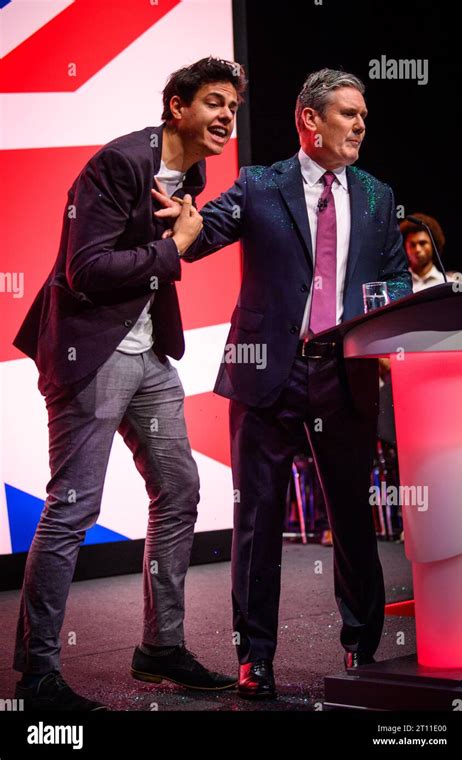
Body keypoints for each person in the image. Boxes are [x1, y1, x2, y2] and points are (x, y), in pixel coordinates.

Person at [154, 68, 412, 699]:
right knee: (257, 521)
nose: (359, 126)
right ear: (309, 119)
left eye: (363, 116)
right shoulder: (259, 185)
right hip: (267, 373)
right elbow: (199, 234)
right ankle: (256, 659)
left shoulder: (378, 197)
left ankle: (362, 648)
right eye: (348, 114)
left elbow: (397, 279)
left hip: (343, 374)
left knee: (352, 521)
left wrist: (383, 310)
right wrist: (177, 208)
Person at [11, 57, 246, 710]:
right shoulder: (119, 164)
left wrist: (185, 239)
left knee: (179, 487)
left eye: (234, 107)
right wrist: (174, 251)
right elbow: (85, 268)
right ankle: (37, 675)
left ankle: (160, 647)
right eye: (216, 103)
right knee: (72, 509)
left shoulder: (192, 170)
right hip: (92, 354)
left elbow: (169, 241)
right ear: (177, 106)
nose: (229, 117)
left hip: (148, 360)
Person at [400, 213, 462, 291]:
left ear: (434, 245)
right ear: (404, 247)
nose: (417, 249)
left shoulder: (450, 284)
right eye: (412, 245)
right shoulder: (398, 286)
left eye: (422, 243)